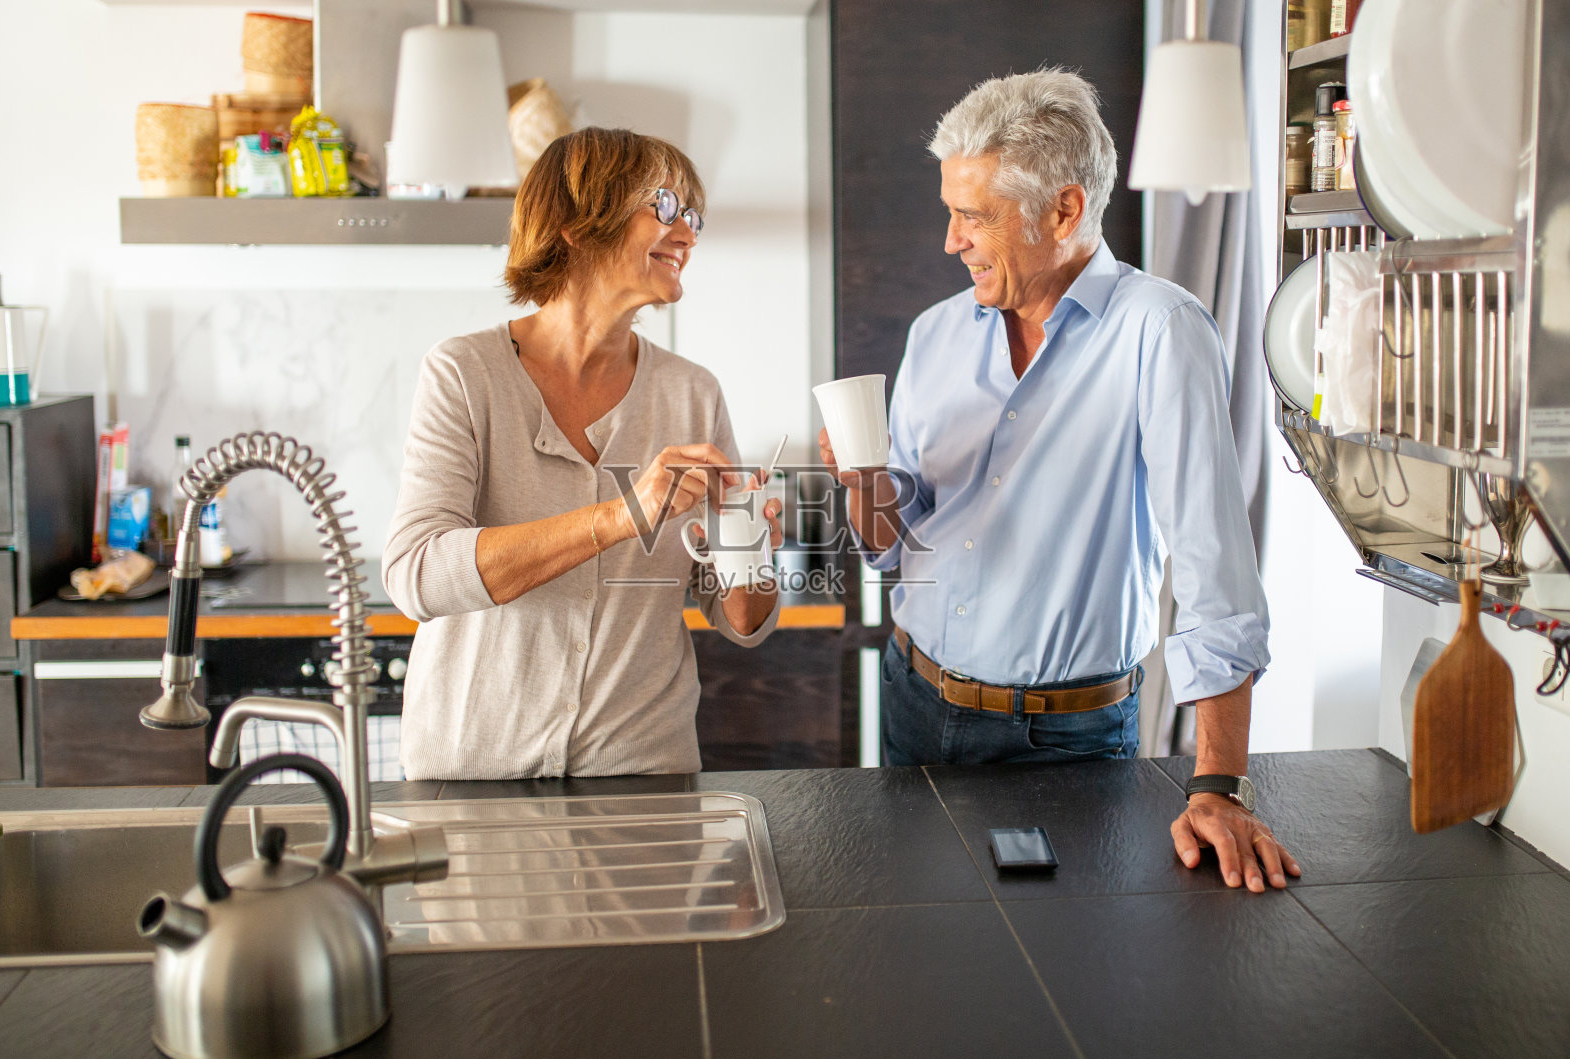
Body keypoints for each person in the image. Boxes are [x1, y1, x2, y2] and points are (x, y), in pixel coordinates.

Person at [821, 71, 1301, 893]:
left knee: (1071, 984)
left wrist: (1219, 786)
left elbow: (1215, 568)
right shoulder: (936, 334)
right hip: (914, 703)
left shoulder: (1161, 331)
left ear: (1065, 210)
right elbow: (893, 549)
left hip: (1068, 737)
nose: (951, 241)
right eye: (952, 212)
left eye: (973, 216)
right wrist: (863, 485)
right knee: (918, 974)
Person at [385, 127, 781, 780]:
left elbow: (741, 619)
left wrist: (755, 548)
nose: (689, 235)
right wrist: (623, 514)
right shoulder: (464, 373)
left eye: (695, 217)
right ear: (574, 222)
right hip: (474, 779)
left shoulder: (692, 392)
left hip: (643, 774)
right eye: (666, 208)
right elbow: (418, 573)